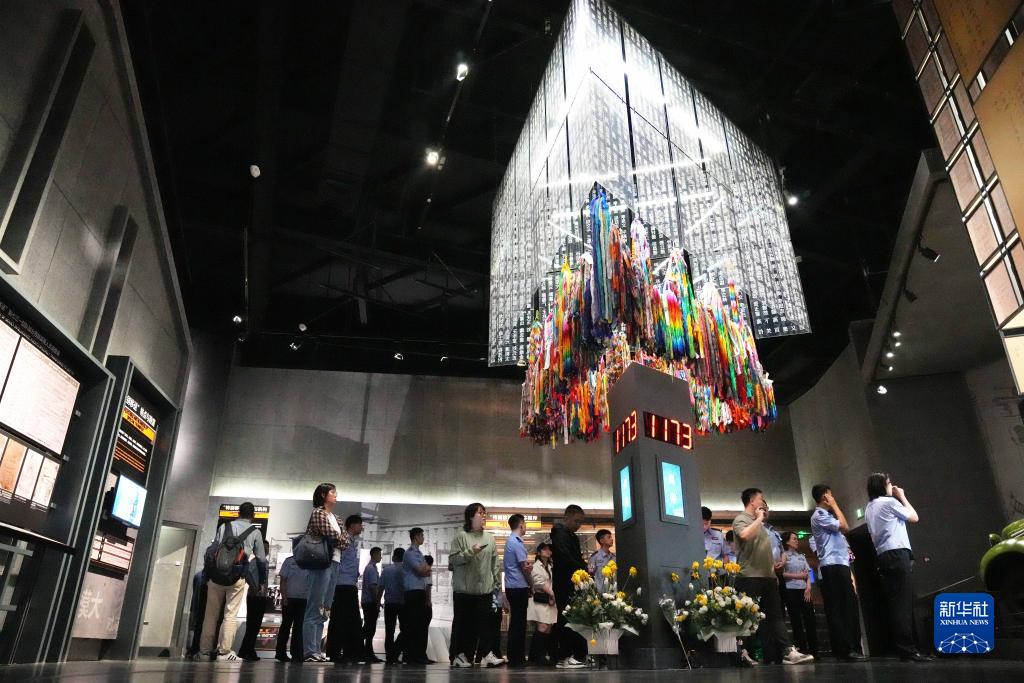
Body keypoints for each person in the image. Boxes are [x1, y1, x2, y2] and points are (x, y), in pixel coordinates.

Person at [732, 488, 814, 666]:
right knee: (746, 617)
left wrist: (773, 572)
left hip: (768, 578)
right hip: (749, 576)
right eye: (761, 499)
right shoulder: (741, 519)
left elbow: (765, 552)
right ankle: (742, 653)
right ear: (752, 501)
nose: (763, 502)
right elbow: (744, 535)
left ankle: (788, 651)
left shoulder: (762, 526)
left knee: (776, 616)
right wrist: (759, 519)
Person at [864, 473, 931, 663]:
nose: (891, 486)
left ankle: (905, 648)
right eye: (888, 483)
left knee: (896, 602)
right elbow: (914, 517)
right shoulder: (889, 502)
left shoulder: (869, 507)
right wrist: (901, 496)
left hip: (883, 555)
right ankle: (908, 650)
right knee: (903, 603)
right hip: (897, 553)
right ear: (882, 486)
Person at [201, 502, 267, 661]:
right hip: (237, 577)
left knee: (210, 614)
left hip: (217, 576)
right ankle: (224, 652)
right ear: (253, 516)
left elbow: (213, 548)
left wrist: (207, 573)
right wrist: (261, 581)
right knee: (230, 614)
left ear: (238, 513)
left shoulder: (224, 526)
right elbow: (261, 559)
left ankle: (204, 652)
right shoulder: (255, 532)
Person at [810, 484, 865, 662]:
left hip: (840, 564)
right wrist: (834, 505)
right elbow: (845, 526)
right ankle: (845, 650)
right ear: (825, 497)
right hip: (832, 565)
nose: (833, 498)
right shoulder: (819, 515)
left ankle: (853, 647)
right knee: (839, 608)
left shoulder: (827, 516)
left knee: (849, 606)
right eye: (831, 495)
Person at [449, 502, 503, 668]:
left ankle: (486, 654)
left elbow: (495, 563)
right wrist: (471, 552)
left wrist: (497, 585)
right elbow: (453, 560)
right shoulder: (461, 537)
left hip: (484, 591)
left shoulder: (489, 538)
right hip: (464, 592)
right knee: (463, 626)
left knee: (485, 625)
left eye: (484, 512)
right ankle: (459, 655)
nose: (484, 515)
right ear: (471, 516)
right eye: (480, 513)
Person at [302, 483, 351, 663]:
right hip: (321, 563)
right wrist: (340, 540)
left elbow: (345, 541)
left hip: (335, 563)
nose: (335, 495)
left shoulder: (336, 518)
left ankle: (316, 650)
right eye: (332, 492)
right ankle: (310, 651)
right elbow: (333, 536)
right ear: (323, 495)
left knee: (325, 609)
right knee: (315, 606)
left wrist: (340, 540)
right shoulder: (318, 513)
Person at [551, 504, 588, 669]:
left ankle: (565, 656)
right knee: (568, 618)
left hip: (570, 582)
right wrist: (583, 568)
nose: (578, 525)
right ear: (566, 518)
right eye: (576, 521)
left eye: (581, 522)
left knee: (568, 617)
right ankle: (570, 655)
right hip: (565, 583)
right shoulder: (560, 535)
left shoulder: (570, 535)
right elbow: (567, 558)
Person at [327, 514, 365, 664]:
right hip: (342, 585)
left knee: (351, 620)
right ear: (352, 525)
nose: (361, 527)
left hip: (350, 585)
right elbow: (336, 561)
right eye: (360, 524)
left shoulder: (353, 542)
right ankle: (336, 652)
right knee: (339, 619)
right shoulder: (343, 540)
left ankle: (350, 653)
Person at [780, 532, 818, 659]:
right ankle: (801, 649)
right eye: (794, 539)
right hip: (791, 590)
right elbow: (783, 574)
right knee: (796, 621)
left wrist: (808, 587)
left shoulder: (802, 556)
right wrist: (798, 576)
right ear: (787, 542)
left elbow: (808, 573)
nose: (797, 541)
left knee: (810, 620)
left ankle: (814, 650)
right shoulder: (784, 555)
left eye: (797, 539)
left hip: (804, 591)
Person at [401, 527, 433, 665]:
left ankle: (419, 655)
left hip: (419, 591)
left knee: (419, 626)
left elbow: (428, 570)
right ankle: (410, 656)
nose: (423, 538)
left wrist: (425, 570)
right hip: (412, 592)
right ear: (415, 537)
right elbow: (421, 570)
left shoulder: (419, 553)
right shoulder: (409, 554)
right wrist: (424, 570)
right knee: (412, 625)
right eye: (421, 535)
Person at [238, 540, 272, 661]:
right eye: (264, 547)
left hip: (261, 597)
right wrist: (253, 586)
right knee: (252, 624)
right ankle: (246, 650)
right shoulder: (255, 561)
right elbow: (247, 573)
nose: (266, 550)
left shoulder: (265, 562)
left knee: (256, 625)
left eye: (267, 548)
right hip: (254, 596)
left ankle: (247, 650)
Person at [504, 514, 531, 667]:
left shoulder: (511, 541)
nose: (525, 527)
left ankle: (515, 656)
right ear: (520, 525)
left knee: (516, 622)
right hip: (518, 586)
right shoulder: (517, 542)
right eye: (525, 524)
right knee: (519, 624)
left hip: (512, 586)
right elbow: (524, 568)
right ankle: (516, 657)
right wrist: (532, 585)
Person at [275, 539, 308, 663]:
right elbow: (283, 581)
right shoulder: (289, 561)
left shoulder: (308, 563)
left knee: (299, 628)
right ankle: (280, 653)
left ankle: (297, 654)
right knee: (286, 626)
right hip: (289, 598)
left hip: (303, 599)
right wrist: (284, 598)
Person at [527, 541, 557, 666]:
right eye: (545, 549)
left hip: (549, 600)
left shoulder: (550, 566)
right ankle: (536, 656)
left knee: (548, 628)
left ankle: (540, 655)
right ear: (539, 553)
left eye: (549, 549)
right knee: (542, 627)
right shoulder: (536, 566)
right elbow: (538, 582)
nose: (548, 551)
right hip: (540, 599)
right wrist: (552, 594)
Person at [381, 548, 406, 664]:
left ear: (394, 557)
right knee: (405, 629)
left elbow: (381, 587)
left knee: (389, 630)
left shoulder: (387, 570)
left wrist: (377, 602)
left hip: (390, 603)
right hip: (403, 603)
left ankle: (389, 656)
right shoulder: (406, 570)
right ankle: (396, 652)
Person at [361, 547, 384, 664]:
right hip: (370, 602)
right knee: (369, 629)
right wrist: (377, 602)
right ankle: (366, 652)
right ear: (374, 554)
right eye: (379, 554)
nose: (381, 556)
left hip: (369, 602)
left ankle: (368, 652)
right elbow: (373, 587)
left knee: (369, 628)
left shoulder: (371, 568)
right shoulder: (371, 569)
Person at [186, 568, 209, 660]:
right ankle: (196, 651)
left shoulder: (197, 575)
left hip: (194, 606)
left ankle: (190, 651)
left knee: (193, 629)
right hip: (202, 607)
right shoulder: (208, 578)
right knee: (199, 629)